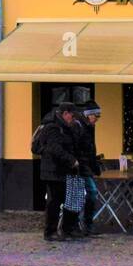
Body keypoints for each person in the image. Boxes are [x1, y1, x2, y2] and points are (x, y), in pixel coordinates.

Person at [32, 101, 85, 242]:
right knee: (54, 201)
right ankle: (50, 231)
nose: (73, 119)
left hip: (64, 170)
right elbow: (55, 149)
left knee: (68, 199)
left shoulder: (65, 127)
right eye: (72, 116)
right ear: (65, 113)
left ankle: (67, 229)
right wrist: (71, 160)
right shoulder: (53, 128)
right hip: (53, 171)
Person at [74, 101, 104, 234]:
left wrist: (94, 164)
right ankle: (83, 224)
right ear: (88, 115)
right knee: (89, 193)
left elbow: (90, 149)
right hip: (80, 167)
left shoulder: (88, 126)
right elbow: (80, 149)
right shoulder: (79, 126)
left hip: (86, 166)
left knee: (87, 195)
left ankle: (84, 224)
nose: (97, 119)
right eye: (96, 116)